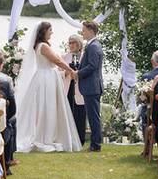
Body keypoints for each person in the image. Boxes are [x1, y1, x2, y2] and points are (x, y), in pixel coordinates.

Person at [14, 22, 82, 153]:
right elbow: (57, 61)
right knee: (47, 106)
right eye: (50, 30)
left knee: (48, 106)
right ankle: (46, 136)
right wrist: (71, 71)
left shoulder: (40, 45)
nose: (52, 32)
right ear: (44, 31)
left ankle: (49, 134)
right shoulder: (43, 46)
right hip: (46, 78)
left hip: (47, 76)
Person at [76, 20, 105, 152]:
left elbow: (92, 66)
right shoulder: (93, 45)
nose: (82, 32)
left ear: (91, 31)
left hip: (92, 86)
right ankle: (95, 143)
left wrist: (78, 73)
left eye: (84, 30)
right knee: (93, 115)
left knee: (93, 116)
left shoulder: (93, 46)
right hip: (92, 86)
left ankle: (95, 144)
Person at [63, 34, 88, 146]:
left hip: (80, 89)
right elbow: (57, 72)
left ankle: (80, 139)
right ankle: (68, 140)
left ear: (79, 44)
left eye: (74, 43)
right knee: (67, 114)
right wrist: (66, 73)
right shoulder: (64, 57)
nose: (72, 45)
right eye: (70, 43)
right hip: (68, 88)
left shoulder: (85, 57)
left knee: (80, 114)